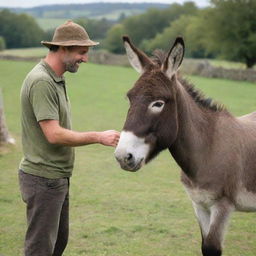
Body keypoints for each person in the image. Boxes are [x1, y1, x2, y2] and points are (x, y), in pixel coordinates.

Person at [18, 20, 120, 256]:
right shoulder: (42, 81)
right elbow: (53, 134)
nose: (85, 58)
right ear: (63, 48)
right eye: (82, 52)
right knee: (40, 250)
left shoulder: (55, 78)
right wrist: (97, 136)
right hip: (43, 178)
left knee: (56, 245)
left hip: (55, 177)